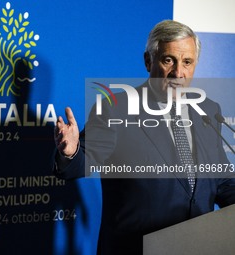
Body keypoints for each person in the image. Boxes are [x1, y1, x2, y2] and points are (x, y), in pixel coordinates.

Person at [53, 20, 235, 254]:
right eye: (168, 60)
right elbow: (83, 161)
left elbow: (220, 180)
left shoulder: (208, 110)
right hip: (136, 248)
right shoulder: (115, 109)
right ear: (148, 61)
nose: (178, 72)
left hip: (198, 245)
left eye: (187, 62)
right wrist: (71, 152)